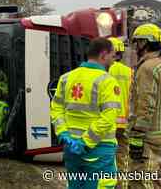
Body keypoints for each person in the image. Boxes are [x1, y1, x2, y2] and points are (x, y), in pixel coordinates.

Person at [50, 37, 121, 189]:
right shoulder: (107, 81)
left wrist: (64, 135)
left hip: (71, 149)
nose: (113, 61)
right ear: (103, 54)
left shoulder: (66, 78)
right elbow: (108, 119)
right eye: (112, 56)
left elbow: (56, 109)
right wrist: (86, 142)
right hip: (99, 150)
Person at [129, 23, 161, 189]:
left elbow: (145, 105)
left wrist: (137, 137)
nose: (136, 47)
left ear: (144, 43)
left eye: (137, 42)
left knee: (140, 179)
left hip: (147, 134)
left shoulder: (147, 67)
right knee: (151, 174)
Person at [108, 37, 133, 189]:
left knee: (105, 155)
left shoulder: (103, 69)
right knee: (123, 155)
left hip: (106, 122)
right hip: (124, 122)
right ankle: (122, 185)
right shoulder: (130, 72)